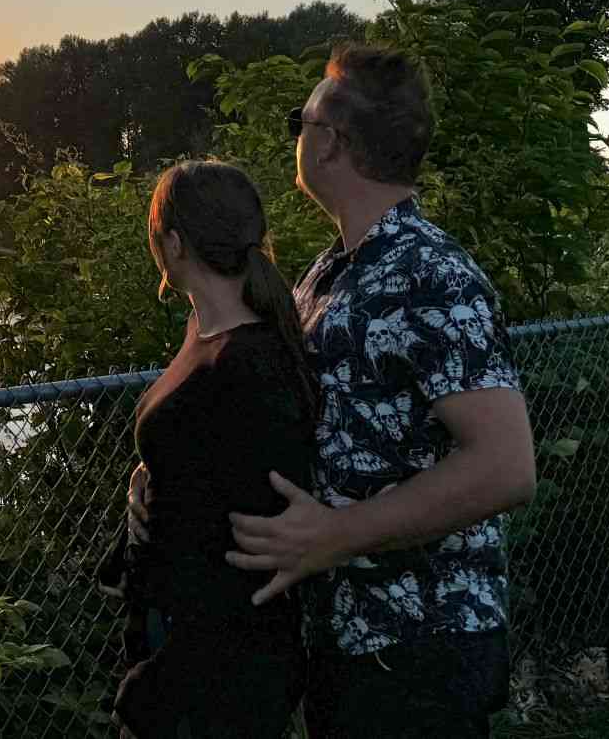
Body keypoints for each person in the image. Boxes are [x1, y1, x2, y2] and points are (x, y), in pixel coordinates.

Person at [223, 44, 537, 739]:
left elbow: (506, 466)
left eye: (300, 121)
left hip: (420, 647)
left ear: (331, 142)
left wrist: (335, 536)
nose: (297, 136)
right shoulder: (333, 272)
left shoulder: (431, 274)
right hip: (347, 638)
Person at [98, 160, 320, 739]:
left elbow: (244, 542)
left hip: (216, 667)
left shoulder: (249, 364)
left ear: (174, 243)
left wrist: (160, 685)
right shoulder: (204, 334)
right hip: (175, 634)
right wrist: (150, 473)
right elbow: (200, 455)